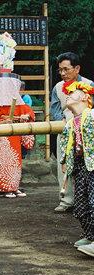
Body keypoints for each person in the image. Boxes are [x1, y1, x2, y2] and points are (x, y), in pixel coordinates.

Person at [50, 52, 94, 213]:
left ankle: (89, 200)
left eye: (66, 69)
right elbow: (54, 109)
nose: (62, 73)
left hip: (87, 133)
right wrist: (61, 121)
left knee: (88, 166)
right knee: (64, 166)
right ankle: (66, 200)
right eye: (60, 70)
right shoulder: (57, 87)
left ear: (77, 68)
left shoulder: (89, 85)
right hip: (66, 131)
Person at [59, 81, 94, 257]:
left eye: (73, 93)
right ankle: (90, 236)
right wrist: (65, 162)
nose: (68, 95)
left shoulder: (93, 115)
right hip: (81, 166)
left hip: (93, 164)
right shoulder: (71, 122)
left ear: (85, 98)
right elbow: (67, 145)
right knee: (80, 204)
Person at [0, 73, 35, 198]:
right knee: (3, 162)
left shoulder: (20, 104)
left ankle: (14, 186)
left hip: (15, 136)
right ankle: (5, 187)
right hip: (2, 136)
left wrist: (25, 117)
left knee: (16, 162)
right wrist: (4, 121)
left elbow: (30, 114)